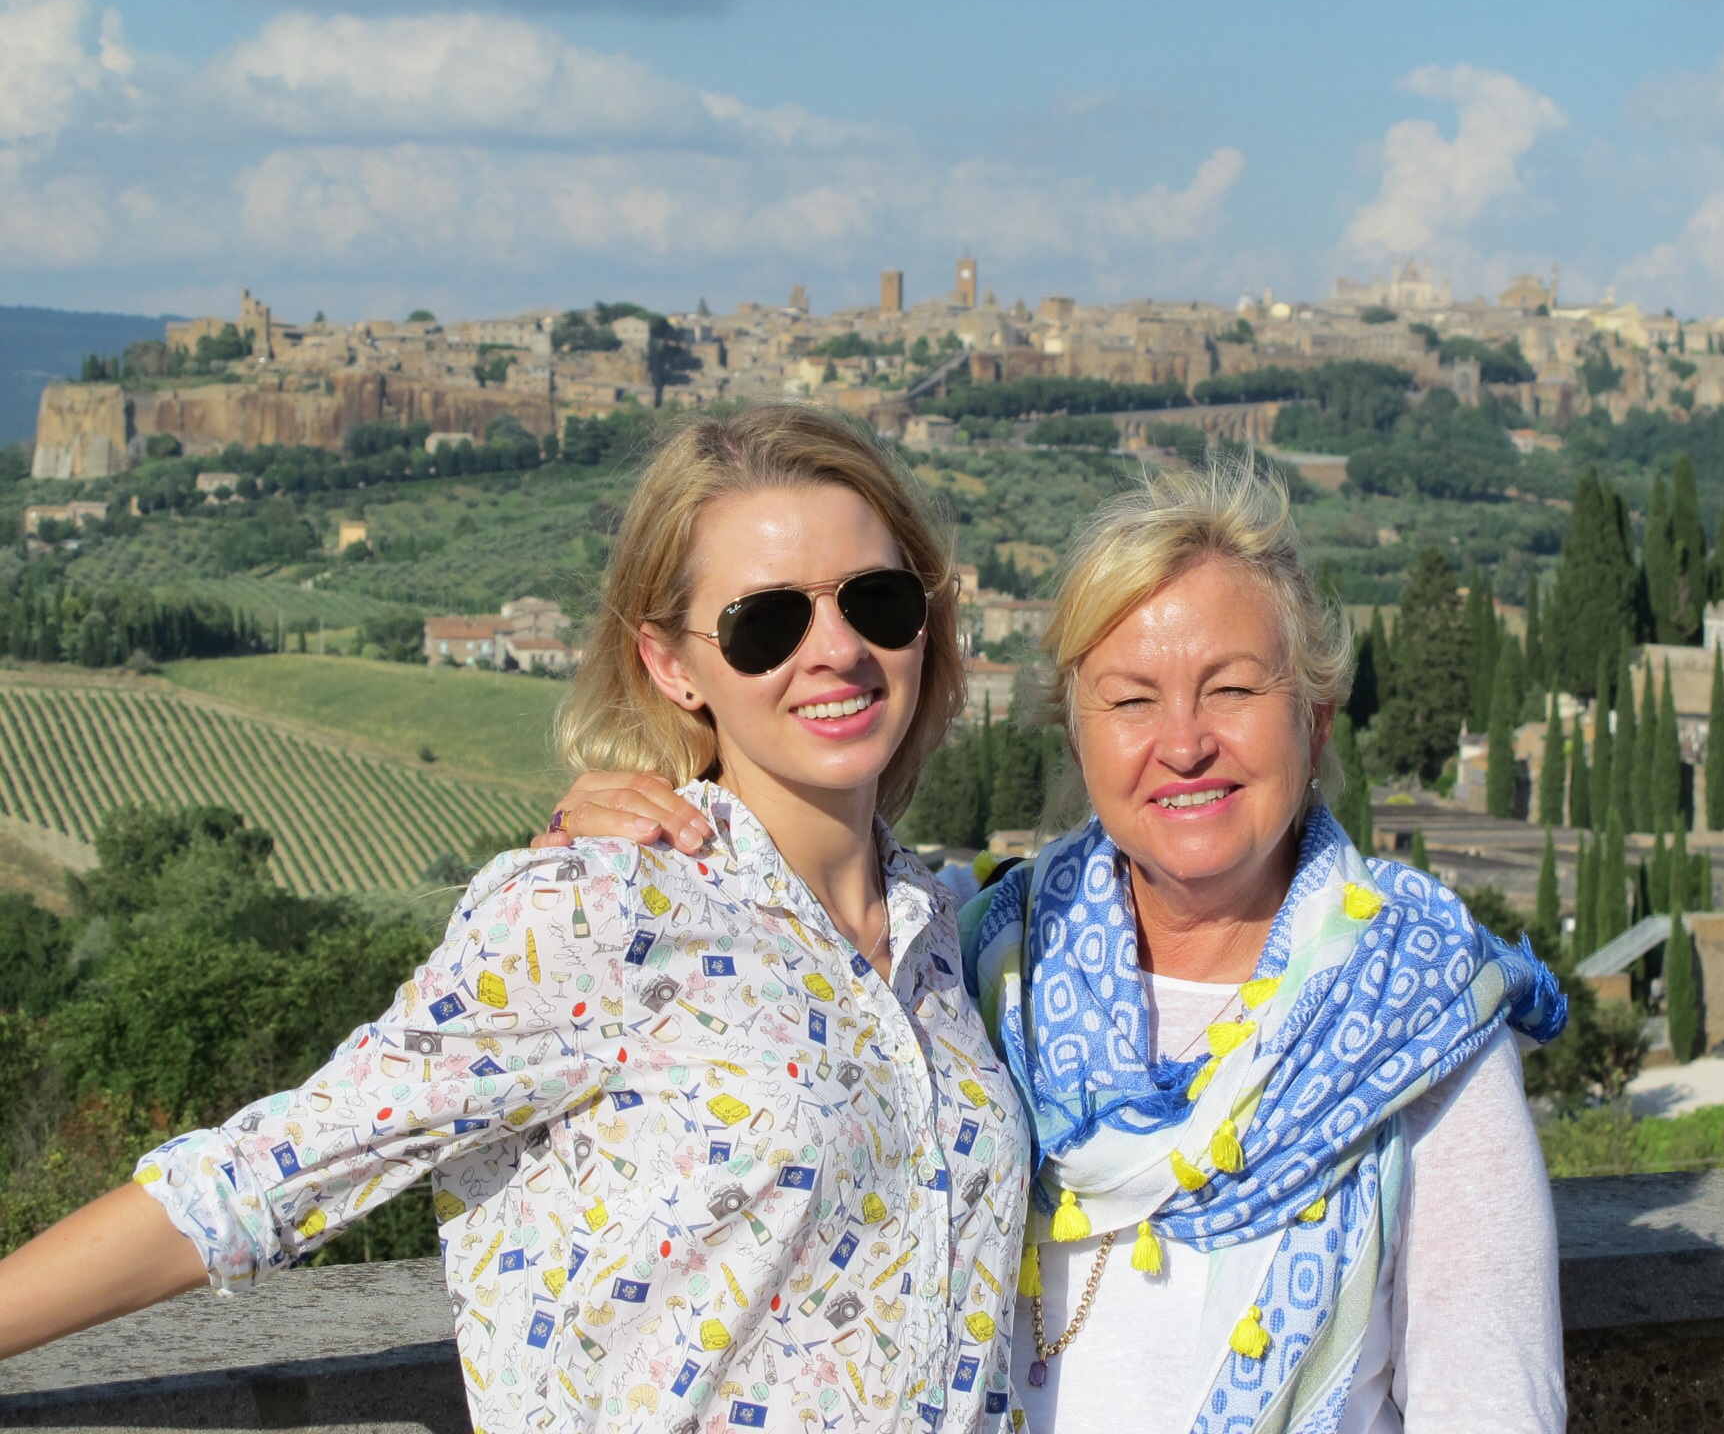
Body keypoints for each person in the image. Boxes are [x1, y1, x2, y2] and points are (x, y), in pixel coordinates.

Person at [0, 405, 1030, 1434]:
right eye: (767, 624)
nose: (838, 649)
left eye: (878, 600)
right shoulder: (600, 909)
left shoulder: (950, 936)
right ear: (671, 665)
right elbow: (266, 1176)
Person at [549, 461, 1569, 1432]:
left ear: (1316, 719)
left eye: (1232, 690)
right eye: (1131, 700)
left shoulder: (1418, 1021)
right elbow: (773, 929)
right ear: (1076, 734)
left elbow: (1492, 1410)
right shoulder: (970, 959)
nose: (1183, 743)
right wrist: (606, 838)